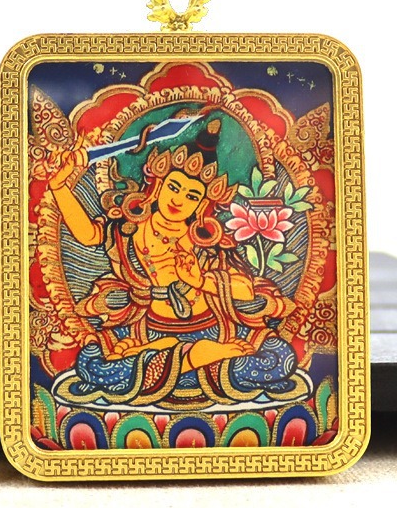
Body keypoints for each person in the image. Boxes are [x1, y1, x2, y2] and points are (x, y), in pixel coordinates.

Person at [48, 119, 307, 409]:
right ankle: (190, 357)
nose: (179, 200)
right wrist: (59, 187)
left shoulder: (206, 239)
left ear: (202, 204)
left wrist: (200, 281)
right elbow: (87, 235)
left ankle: (176, 357)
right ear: (157, 186)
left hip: (211, 328)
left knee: (279, 358)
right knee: (91, 364)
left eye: (192, 195)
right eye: (174, 187)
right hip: (149, 329)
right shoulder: (129, 230)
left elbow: (246, 291)